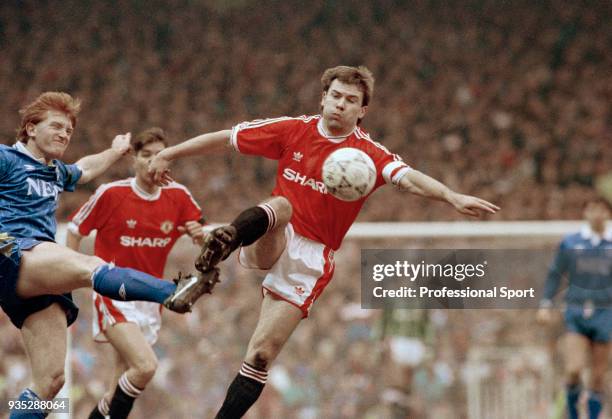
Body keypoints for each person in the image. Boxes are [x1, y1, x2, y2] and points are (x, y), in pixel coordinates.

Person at [149, 65, 500, 418]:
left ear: (362, 110)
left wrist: (451, 195)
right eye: (335, 96)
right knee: (282, 206)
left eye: (351, 100)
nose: (340, 105)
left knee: (260, 355)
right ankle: (223, 245)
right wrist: (169, 154)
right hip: (271, 234)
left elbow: (408, 179)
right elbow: (227, 138)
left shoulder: (368, 154)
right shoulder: (293, 130)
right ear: (323, 98)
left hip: (312, 257)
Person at [0, 92, 217, 419]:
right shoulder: (6, 159)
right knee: (93, 266)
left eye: (69, 130)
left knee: (51, 382)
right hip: (12, 250)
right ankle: (172, 292)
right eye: (56, 126)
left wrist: (114, 152)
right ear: (30, 128)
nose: (64, 134)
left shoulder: (56, 172)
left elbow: (84, 169)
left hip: (35, 269)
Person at [66, 127, 207, 419]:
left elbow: (202, 234)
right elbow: (74, 229)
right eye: (146, 155)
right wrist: (74, 275)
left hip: (150, 300)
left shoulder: (179, 196)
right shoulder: (112, 193)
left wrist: (198, 233)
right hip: (113, 294)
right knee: (145, 367)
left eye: (160, 155)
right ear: (134, 159)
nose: (154, 161)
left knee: (116, 388)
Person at [537, 197, 612, 419]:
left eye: (601, 209)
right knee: (574, 368)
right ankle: (573, 414)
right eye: (591, 208)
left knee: (598, 376)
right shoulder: (570, 243)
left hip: (606, 312)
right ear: (585, 213)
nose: (596, 213)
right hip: (577, 310)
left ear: (607, 214)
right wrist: (545, 304)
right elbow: (554, 275)